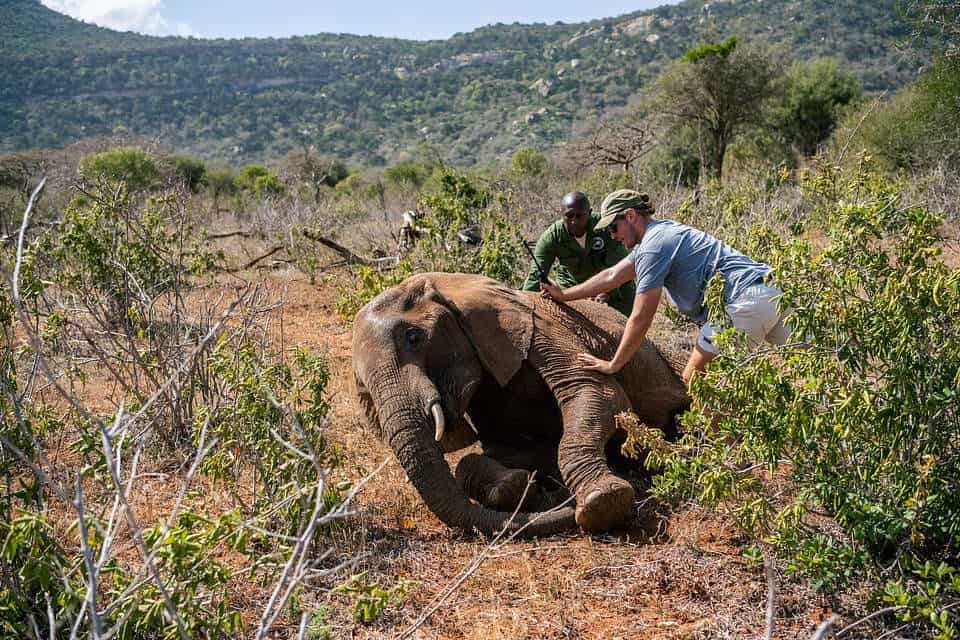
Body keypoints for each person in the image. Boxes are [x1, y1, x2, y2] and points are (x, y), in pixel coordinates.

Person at [539, 188, 790, 386]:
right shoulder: (662, 233)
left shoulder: (653, 246)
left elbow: (641, 316)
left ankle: (725, 449)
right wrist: (565, 295)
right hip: (771, 292)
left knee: (696, 383)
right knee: (814, 365)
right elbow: (612, 276)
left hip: (741, 301)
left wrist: (614, 364)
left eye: (613, 227)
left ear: (630, 216)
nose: (612, 236)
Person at [521, 192, 636, 316]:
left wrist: (605, 292)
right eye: (569, 216)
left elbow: (618, 270)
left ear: (589, 213)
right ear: (562, 214)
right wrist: (524, 307)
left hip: (614, 291)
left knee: (625, 328)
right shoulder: (552, 237)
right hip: (571, 290)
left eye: (580, 216)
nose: (574, 221)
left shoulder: (606, 227)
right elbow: (534, 277)